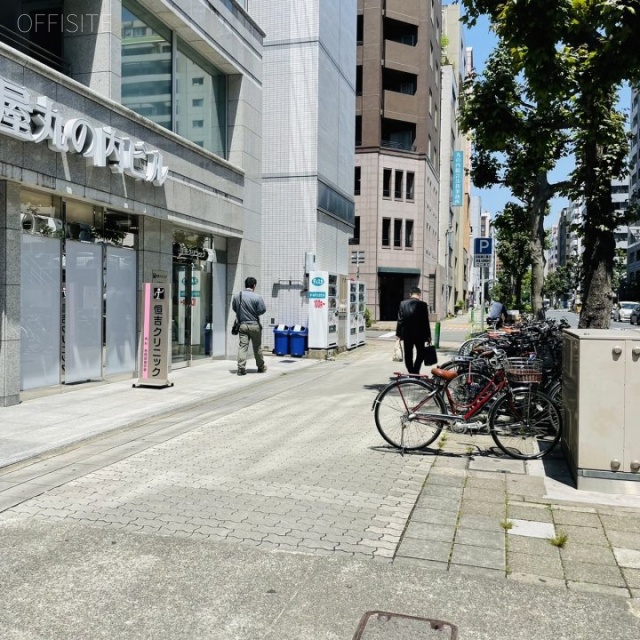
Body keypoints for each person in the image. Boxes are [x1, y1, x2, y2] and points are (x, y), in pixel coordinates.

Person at [232, 277, 267, 375]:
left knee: (243, 346)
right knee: (257, 347)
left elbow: (235, 308)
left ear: (245, 285)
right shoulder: (257, 297)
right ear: (254, 285)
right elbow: (262, 310)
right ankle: (261, 367)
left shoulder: (237, 296)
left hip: (242, 325)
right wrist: (254, 313)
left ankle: (241, 368)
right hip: (254, 325)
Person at [395, 286, 432, 374]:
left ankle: (411, 371)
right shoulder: (423, 305)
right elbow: (425, 321)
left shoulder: (402, 304)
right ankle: (416, 370)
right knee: (421, 353)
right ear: (419, 295)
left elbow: (400, 320)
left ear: (410, 294)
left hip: (407, 334)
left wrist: (398, 334)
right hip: (420, 334)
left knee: (408, 354)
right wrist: (428, 336)